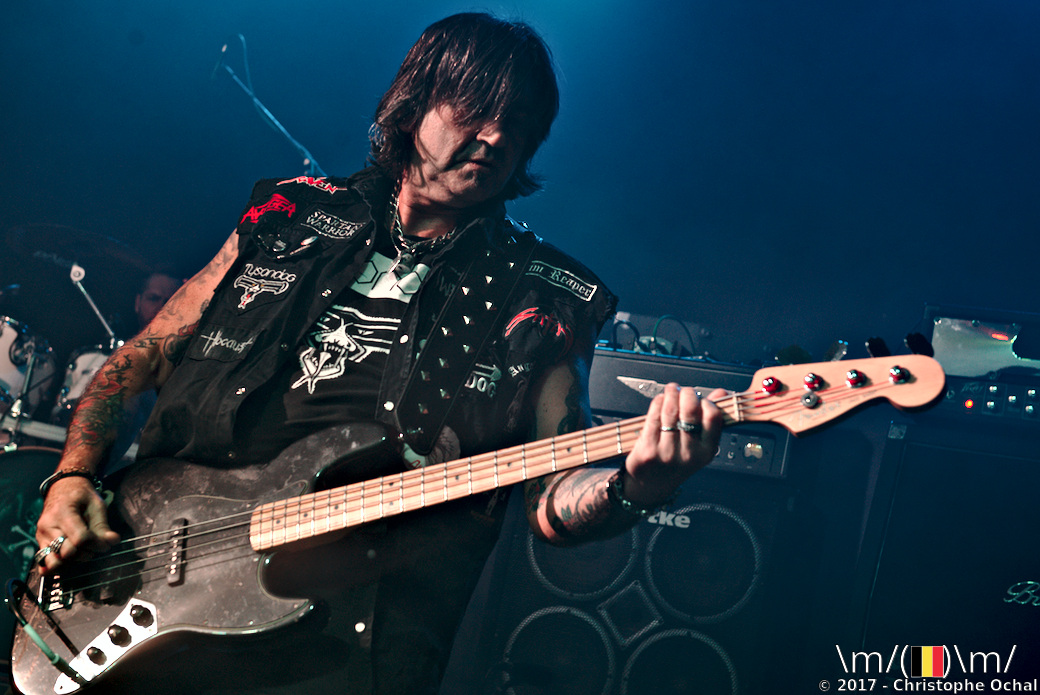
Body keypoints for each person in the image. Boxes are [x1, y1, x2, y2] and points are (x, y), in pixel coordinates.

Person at [27, 13, 724, 695]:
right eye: (474, 108)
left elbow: (552, 501)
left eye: (517, 123)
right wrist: (71, 477)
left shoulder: (543, 296)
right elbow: (144, 357)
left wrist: (637, 487)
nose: (494, 135)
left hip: (343, 644)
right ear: (414, 103)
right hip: (146, 576)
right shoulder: (290, 215)